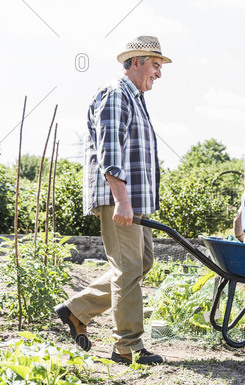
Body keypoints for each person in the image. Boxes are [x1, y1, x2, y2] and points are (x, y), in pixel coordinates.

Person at [55, 35, 171, 366]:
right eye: (155, 66)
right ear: (136, 62)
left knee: (141, 261)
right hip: (118, 196)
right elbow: (110, 150)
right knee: (128, 267)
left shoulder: (135, 98)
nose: (159, 74)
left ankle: (77, 310)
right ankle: (127, 346)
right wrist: (122, 200)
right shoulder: (116, 93)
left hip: (133, 199)